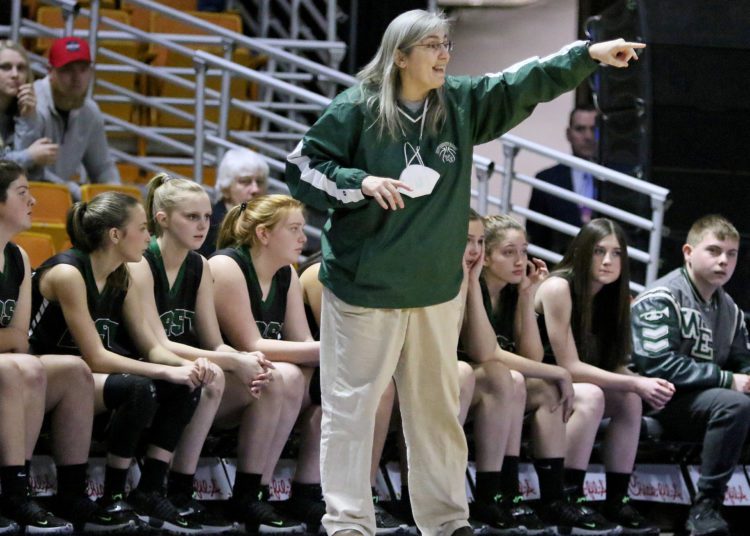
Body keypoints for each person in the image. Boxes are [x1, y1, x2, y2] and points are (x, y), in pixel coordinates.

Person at [285, 7, 645, 536]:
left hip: (436, 288)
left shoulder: (458, 102)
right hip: (365, 287)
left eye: (447, 45)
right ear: (400, 55)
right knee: (352, 410)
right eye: (432, 46)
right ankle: (347, 522)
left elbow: (521, 82)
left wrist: (584, 56)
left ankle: (446, 518)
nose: (444, 55)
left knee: (437, 411)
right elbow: (301, 166)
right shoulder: (356, 108)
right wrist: (360, 183)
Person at [28, 191, 221, 534]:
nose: (149, 237)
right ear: (115, 235)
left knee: (183, 386)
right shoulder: (69, 272)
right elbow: (96, 356)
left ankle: (146, 490)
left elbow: (151, 344)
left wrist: (182, 368)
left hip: (89, 378)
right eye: (143, 228)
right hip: (47, 375)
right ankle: (112, 493)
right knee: (140, 387)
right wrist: (165, 369)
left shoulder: (123, 273)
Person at [130, 173, 302, 534]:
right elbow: (158, 344)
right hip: (142, 365)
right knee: (215, 375)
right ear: (162, 219)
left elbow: (213, 340)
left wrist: (242, 361)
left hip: (185, 364)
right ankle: (176, 488)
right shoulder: (142, 261)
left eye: (207, 217)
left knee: (270, 377)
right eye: (192, 217)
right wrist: (233, 359)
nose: (203, 225)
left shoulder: (199, 265)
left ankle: (251, 494)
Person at [534, 218, 675, 535]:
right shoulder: (559, 287)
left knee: (630, 400)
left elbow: (611, 365)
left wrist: (645, 385)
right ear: (582, 252)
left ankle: (616, 500)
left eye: (616, 253)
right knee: (597, 394)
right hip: (538, 381)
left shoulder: (612, 297)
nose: (608, 261)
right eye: (599, 251)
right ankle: (566, 497)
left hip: (567, 386)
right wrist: (635, 381)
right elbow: (569, 366)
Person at [0, 160, 115, 534]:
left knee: (73, 369)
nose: (32, 200)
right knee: (27, 367)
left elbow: (19, 338)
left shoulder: (16, 256)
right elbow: (14, 341)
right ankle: (14, 491)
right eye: (21, 193)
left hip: (9, 365)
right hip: (9, 366)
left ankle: (71, 491)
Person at [631, 215, 749, 536]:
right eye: (713, 250)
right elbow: (657, 364)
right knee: (733, 404)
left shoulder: (731, 311)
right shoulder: (662, 297)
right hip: (657, 400)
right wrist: (727, 380)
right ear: (687, 252)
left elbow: (743, 363)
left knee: (736, 401)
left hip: (702, 401)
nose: (724, 260)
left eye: (732, 253)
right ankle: (705, 508)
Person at [209, 194, 320, 533]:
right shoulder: (227, 265)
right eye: (294, 229)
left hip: (261, 382)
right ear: (263, 234)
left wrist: (329, 353)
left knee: (313, 380)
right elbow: (250, 344)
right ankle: (248, 493)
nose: (304, 238)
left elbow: (301, 341)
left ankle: (271, 491)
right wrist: (333, 350)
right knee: (283, 374)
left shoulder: (286, 271)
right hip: (218, 383)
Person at [27, 37, 120, 199]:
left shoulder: (90, 112)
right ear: (50, 71)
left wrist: (117, 198)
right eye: (67, 69)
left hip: (62, 197)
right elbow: (31, 171)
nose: (77, 77)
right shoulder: (31, 104)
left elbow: (102, 167)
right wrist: (75, 191)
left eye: (83, 69)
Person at [527, 105, 597, 255]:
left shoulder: (618, 178)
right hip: (559, 265)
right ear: (568, 134)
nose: (588, 136)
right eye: (580, 129)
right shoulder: (546, 180)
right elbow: (537, 236)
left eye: (594, 129)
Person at [198, 147, 269, 257]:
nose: (255, 189)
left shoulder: (269, 223)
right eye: (245, 181)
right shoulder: (207, 226)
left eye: (260, 182)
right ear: (226, 188)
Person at [0, 41, 58, 172]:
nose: (15, 74)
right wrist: (29, 156)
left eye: (21, 68)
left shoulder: (28, 110)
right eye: (5, 67)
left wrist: (27, 118)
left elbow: (21, 173)